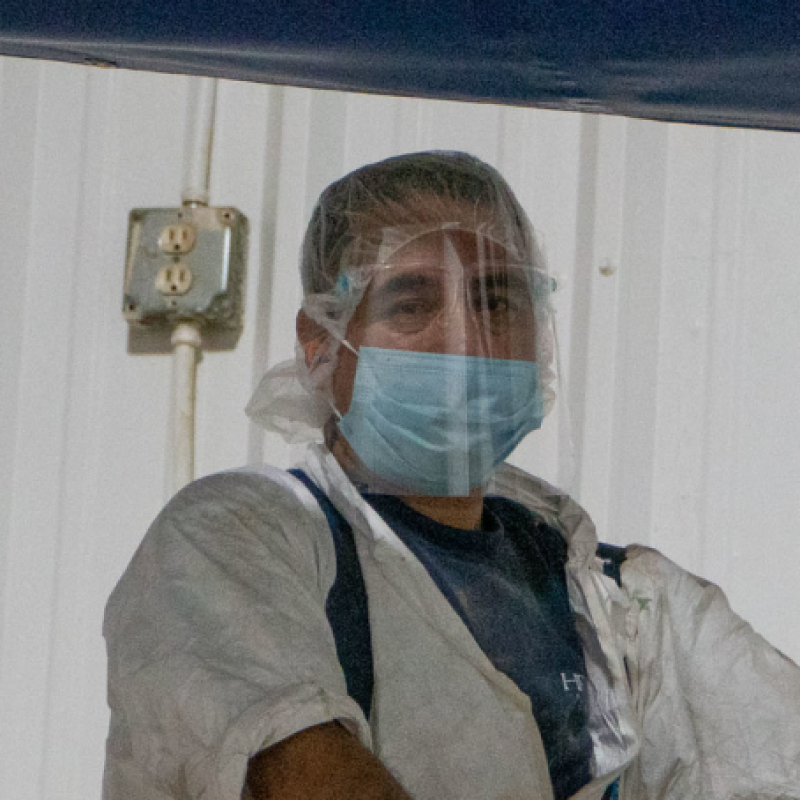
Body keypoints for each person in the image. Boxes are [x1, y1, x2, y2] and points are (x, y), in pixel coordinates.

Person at [103, 151, 800, 800]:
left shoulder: (623, 604)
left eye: (496, 301)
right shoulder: (243, 536)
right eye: (411, 303)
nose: (464, 339)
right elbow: (300, 776)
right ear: (321, 343)